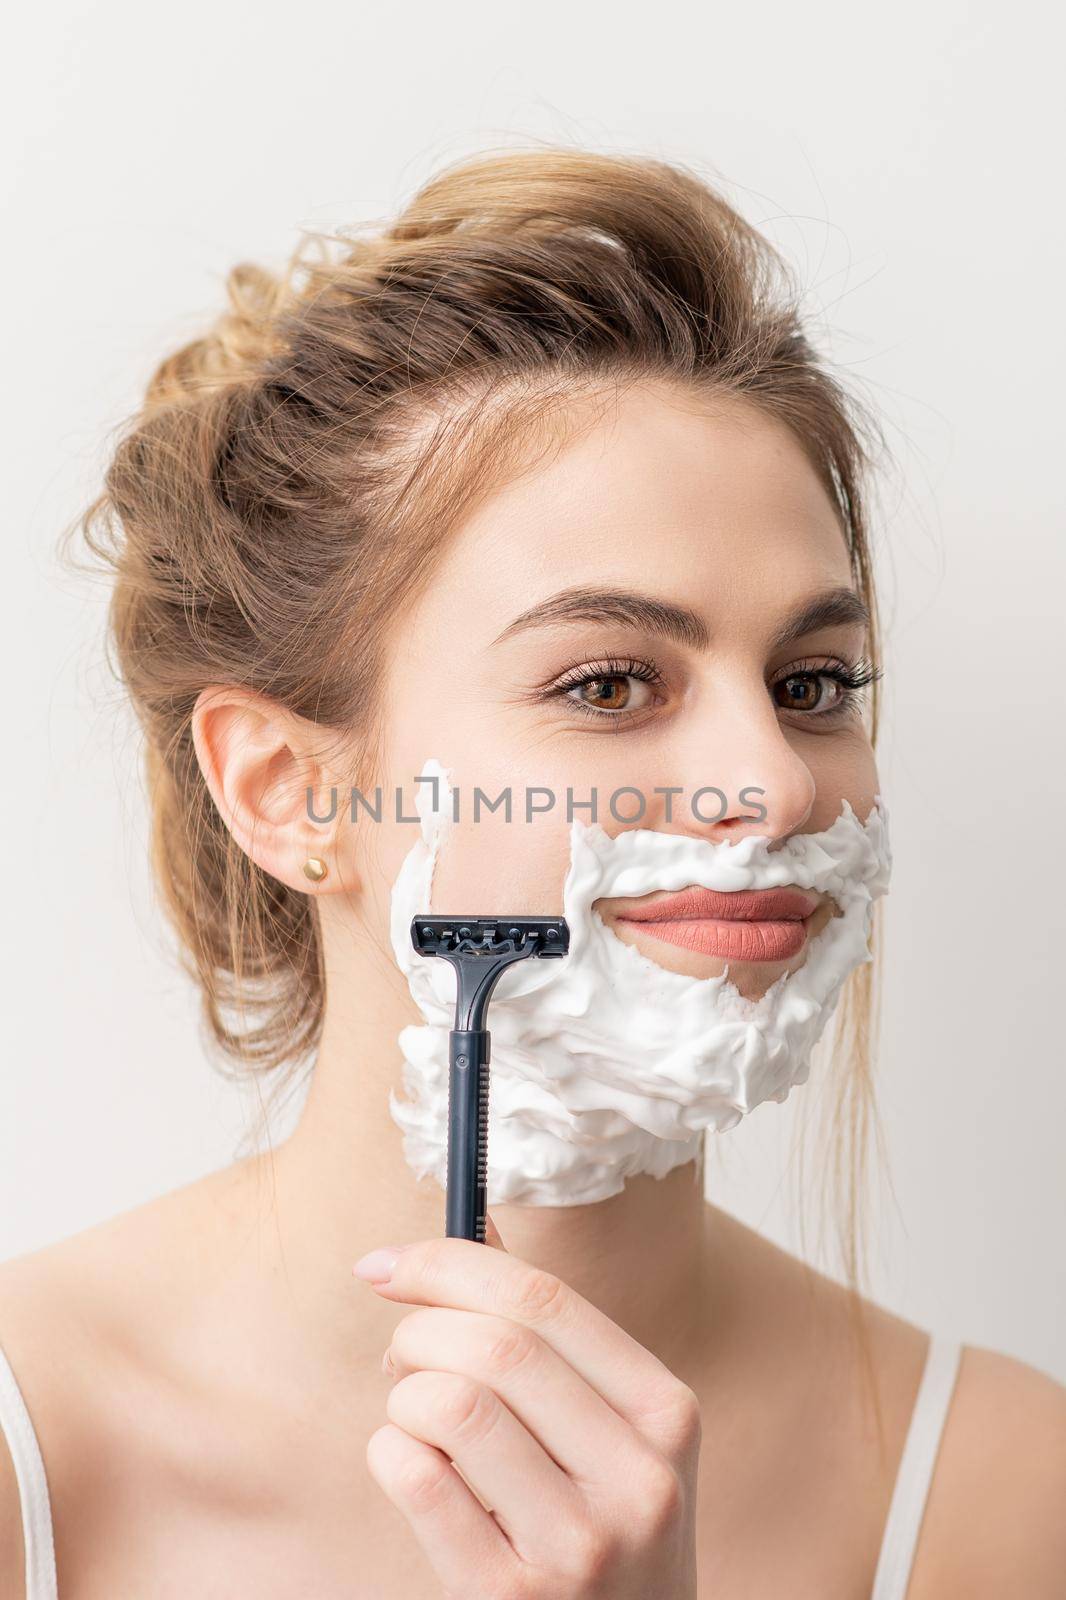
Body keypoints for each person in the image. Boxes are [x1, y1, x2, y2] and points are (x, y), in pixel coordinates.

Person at [1, 148, 1063, 1599]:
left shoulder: (1001, 1490)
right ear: (286, 790)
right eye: (613, 680)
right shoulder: (34, 1449)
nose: (771, 784)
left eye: (813, 682)